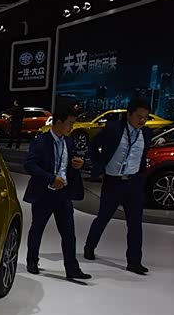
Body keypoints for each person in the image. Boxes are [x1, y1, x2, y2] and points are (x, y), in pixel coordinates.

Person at [84, 98, 152, 275]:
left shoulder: (146, 133)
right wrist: (98, 165)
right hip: (113, 182)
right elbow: (93, 145)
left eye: (145, 117)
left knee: (135, 223)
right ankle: (89, 246)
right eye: (139, 116)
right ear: (129, 114)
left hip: (134, 183)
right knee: (103, 217)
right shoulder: (113, 129)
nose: (142, 120)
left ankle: (134, 262)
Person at [23, 104, 91, 281]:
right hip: (43, 193)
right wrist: (51, 178)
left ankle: (72, 268)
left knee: (69, 232)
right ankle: (32, 261)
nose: (71, 127)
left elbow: (68, 162)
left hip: (63, 194)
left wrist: (78, 164)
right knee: (37, 228)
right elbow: (29, 164)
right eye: (69, 123)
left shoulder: (69, 142)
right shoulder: (41, 141)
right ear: (59, 122)